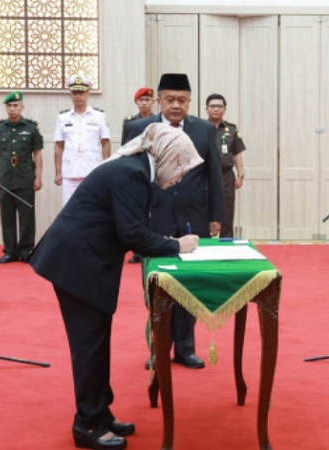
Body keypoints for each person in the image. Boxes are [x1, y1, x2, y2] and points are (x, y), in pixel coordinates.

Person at [29, 123, 202, 450]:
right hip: (77, 265)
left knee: (97, 342)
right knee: (89, 347)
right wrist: (176, 246)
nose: (179, 178)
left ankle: (100, 414)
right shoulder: (131, 174)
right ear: (168, 156)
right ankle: (86, 425)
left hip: (86, 262)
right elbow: (132, 234)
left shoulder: (134, 169)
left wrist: (167, 241)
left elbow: (131, 226)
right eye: (181, 168)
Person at [122, 73, 225, 370]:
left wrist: (216, 216)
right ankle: (157, 350)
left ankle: (185, 348)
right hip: (155, 218)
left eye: (182, 100)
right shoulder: (139, 128)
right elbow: (128, 176)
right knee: (157, 289)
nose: (176, 106)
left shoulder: (204, 130)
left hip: (194, 218)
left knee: (188, 288)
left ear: (190, 101)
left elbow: (214, 175)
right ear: (159, 100)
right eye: (170, 100)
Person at [0, 91, 43, 263]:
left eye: (15, 106)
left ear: (22, 107)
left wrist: (39, 177)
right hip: (5, 178)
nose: (12, 109)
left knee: (27, 216)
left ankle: (26, 249)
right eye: (9, 106)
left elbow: (37, 154)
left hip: (25, 178)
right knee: (7, 216)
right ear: (6, 108)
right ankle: (10, 251)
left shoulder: (31, 128)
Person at [54, 74, 112, 206]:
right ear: (70, 94)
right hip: (69, 172)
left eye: (81, 92)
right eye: (74, 92)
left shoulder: (99, 116)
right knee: (69, 210)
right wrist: (58, 172)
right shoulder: (63, 117)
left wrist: (107, 170)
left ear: (88, 93)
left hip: (92, 171)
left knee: (92, 208)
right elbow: (58, 146)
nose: (78, 96)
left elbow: (105, 143)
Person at [205, 93, 246, 238]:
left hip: (226, 175)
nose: (216, 109)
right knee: (205, 209)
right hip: (205, 175)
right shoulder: (200, 128)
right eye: (213, 106)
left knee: (227, 211)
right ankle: (205, 242)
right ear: (206, 109)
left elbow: (237, 153)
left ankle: (227, 242)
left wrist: (240, 174)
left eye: (219, 106)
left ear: (225, 109)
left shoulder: (232, 130)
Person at [123, 86, 156, 264]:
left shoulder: (158, 121)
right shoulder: (129, 122)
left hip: (155, 168)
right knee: (137, 210)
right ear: (136, 103)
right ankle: (138, 250)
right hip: (137, 169)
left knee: (154, 210)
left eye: (147, 100)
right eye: (141, 100)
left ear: (153, 102)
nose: (144, 103)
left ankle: (152, 246)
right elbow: (125, 147)